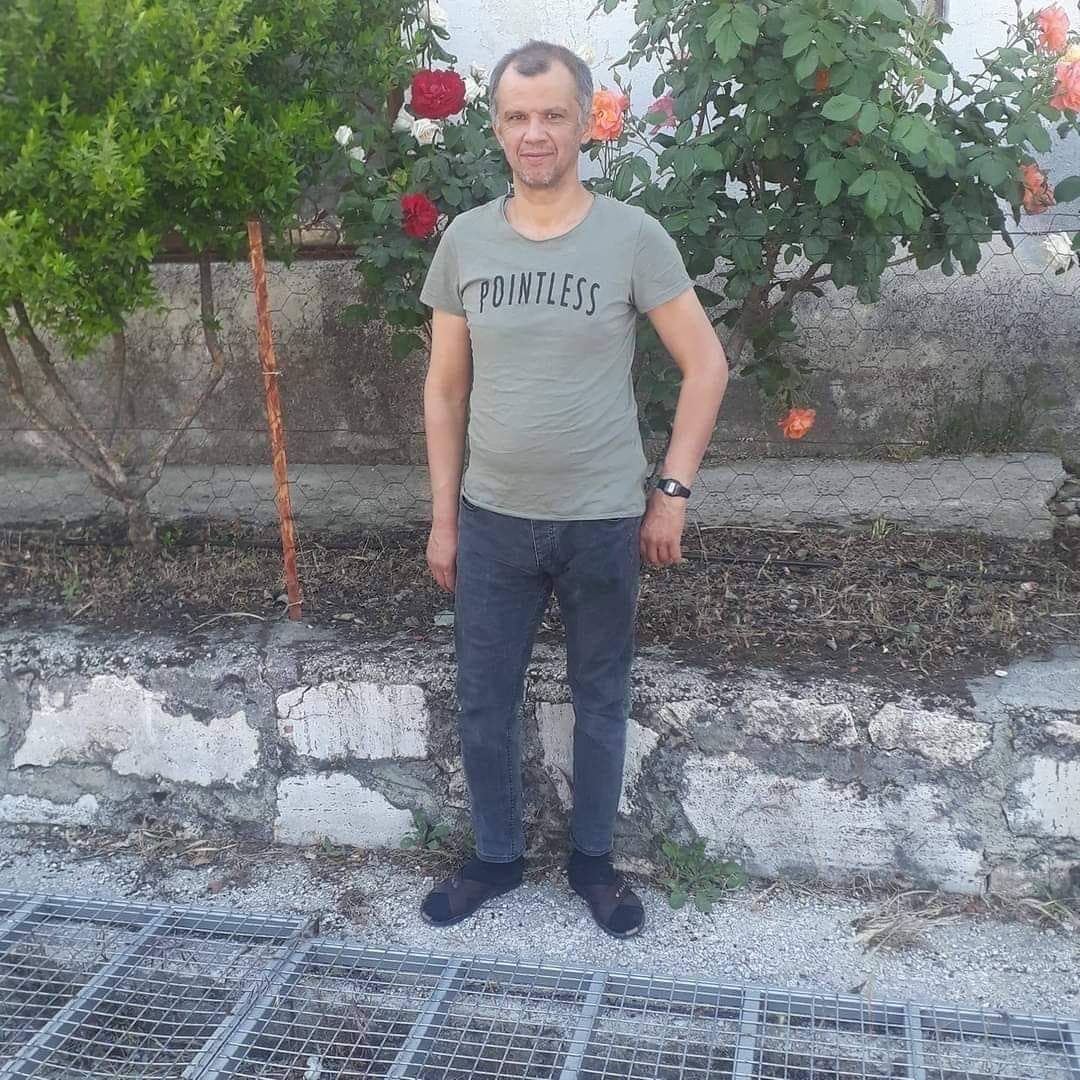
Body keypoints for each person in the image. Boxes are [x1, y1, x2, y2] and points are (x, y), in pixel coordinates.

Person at [418, 40, 728, 939]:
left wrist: (672, 492)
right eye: (517, 117)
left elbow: (706, 365)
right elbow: (444, 390)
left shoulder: (632, 236)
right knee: (484, 698)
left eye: (553, 115)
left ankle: (593, 864)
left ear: (586, 122)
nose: (535, 133)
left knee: (601, 697)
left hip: (602, 520)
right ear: (495, 128)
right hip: (492, 521)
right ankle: (495, 858)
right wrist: (443, 520)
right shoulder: (466, 240)